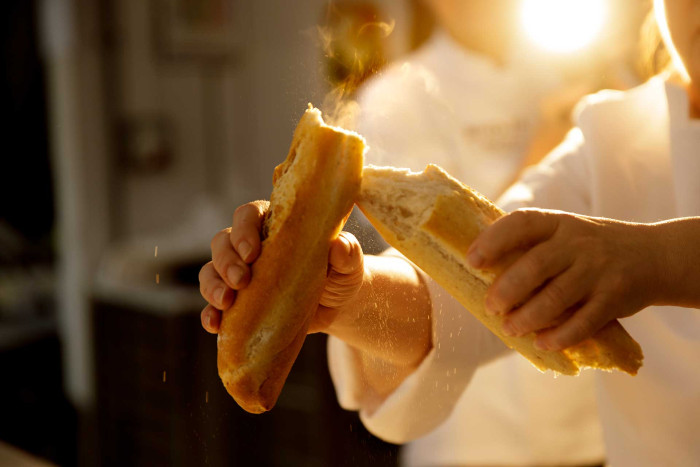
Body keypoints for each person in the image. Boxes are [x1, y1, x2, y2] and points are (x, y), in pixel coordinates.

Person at [199, 0, 700, 465]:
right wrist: (348, 294)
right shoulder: (614, 135)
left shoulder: (585, 78)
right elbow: (468, 282)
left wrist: (658, 257)